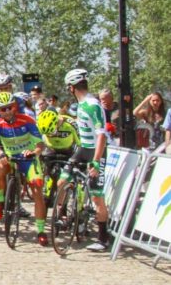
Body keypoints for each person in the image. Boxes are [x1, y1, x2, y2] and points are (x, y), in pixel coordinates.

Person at [0, 92, 48, 246]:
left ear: (14, 107)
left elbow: (40, 144)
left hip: (28, 158)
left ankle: (41, 231)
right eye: (3, 109)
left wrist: (34, 152)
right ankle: (0, 201)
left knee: (37, 191)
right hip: (10, 157)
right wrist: (0, 154)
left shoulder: (27, 120)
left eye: (9, 107)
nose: (7, 111)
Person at [63, 69, 111, 251]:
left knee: (97, 197)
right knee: (62, 179)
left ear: (72, 87)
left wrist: (96, 162)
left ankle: (103, 238)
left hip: (96, 152)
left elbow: (102, 135)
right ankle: (65, 215)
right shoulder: (80, 104)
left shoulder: (92, 104)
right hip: (83, 149)